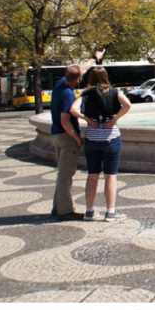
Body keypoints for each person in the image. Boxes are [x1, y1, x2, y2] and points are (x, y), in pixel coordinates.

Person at [70, 67, 131, 221]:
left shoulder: (86, 94)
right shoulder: (114, 92)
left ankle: (89, 211)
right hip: (111, 138)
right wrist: (114, 120)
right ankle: (110, 212)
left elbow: (73, 109)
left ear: (90, 78)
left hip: (92, 138)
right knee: (111, 176)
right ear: (105, 77)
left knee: (92, 175)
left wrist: (88, 120)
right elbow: (128, 105)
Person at [51, 50, 105, 221]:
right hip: (66, 137)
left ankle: (58, 206)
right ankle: (65, 210)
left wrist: (94, 59)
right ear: (79, 79)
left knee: (62, 173)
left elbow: (81, 68)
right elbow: (65, 120)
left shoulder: (61, 83)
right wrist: (76, 138)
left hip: (56, 135)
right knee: (66, 175)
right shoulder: (67, 94)